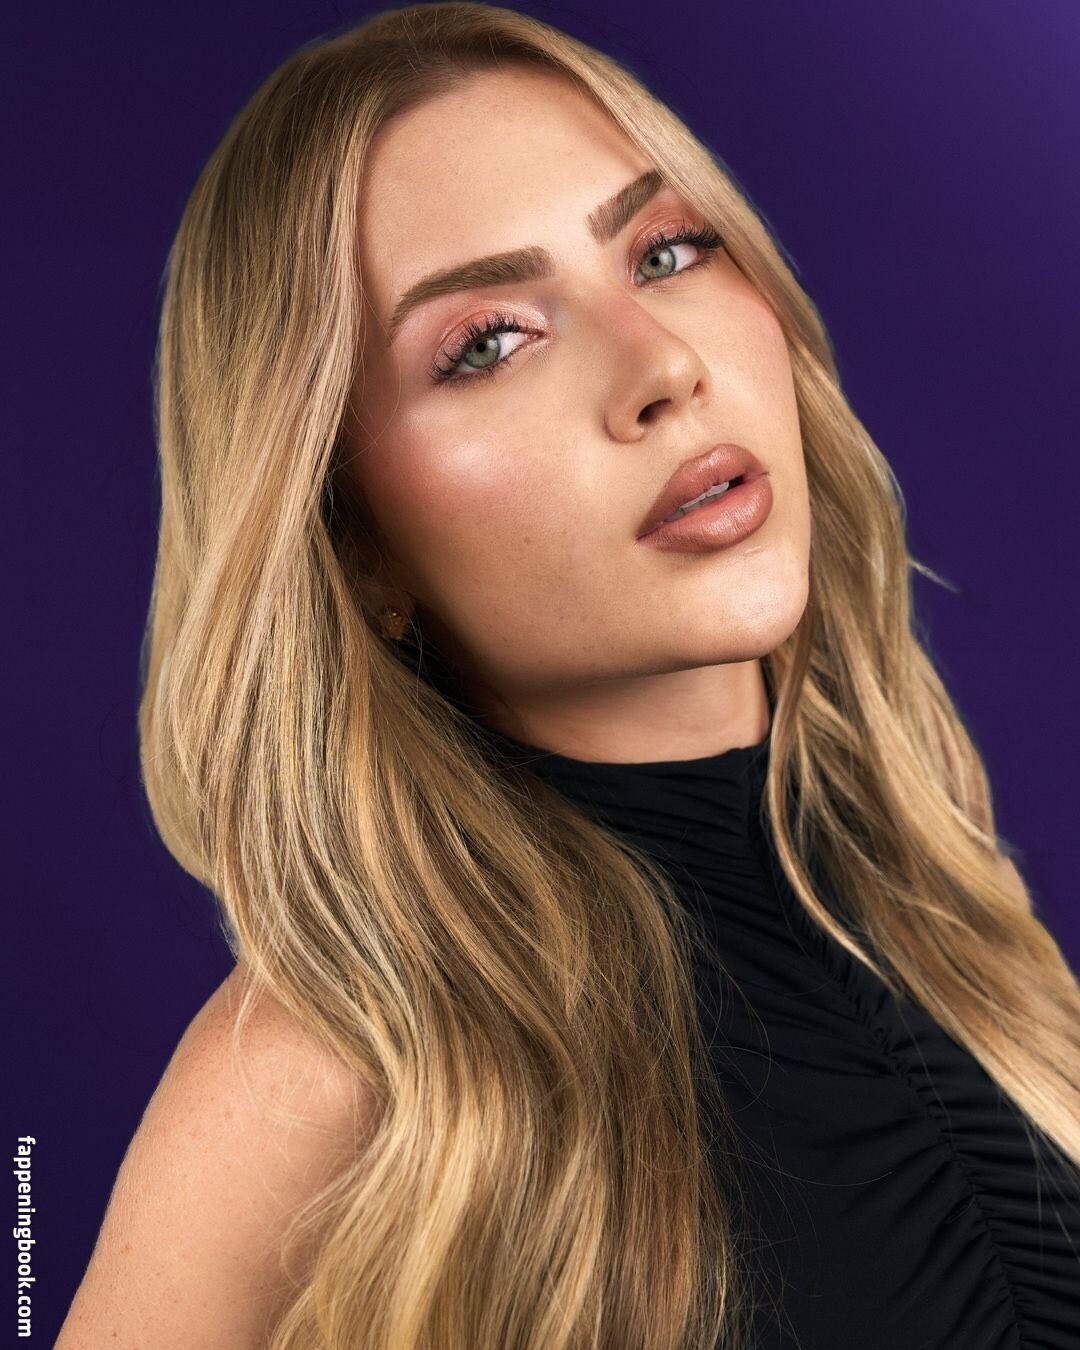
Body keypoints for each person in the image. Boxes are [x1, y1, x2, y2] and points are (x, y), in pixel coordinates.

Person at [57, 4, 1080, 1347]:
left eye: (667, 250)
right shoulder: (333, 1074)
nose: (663, 367)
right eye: (488, 341)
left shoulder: (959, 917)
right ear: (355, 543)